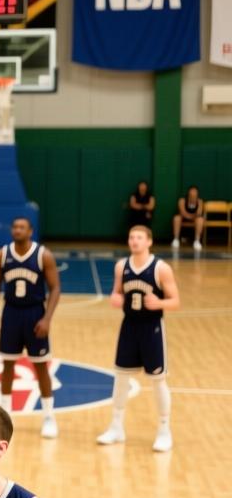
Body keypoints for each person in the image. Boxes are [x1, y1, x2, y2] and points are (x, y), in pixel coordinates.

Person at [97, 225, 179, 452]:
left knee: (158, 379)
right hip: (129, 327)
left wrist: (160, 303)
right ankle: (116, 427)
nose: (134, 241)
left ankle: (164, 430)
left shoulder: (161, 269)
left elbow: (175, 301)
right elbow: (117, 292)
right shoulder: (121, 266)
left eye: (139, 237)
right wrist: (115, 297)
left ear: (149, 241)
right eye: (131, 237)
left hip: (152, 328)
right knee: (121, 377)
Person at [0, 216, 62, 438]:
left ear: (31, 231)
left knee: (40, 366)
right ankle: (5, 416)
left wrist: (47, 318)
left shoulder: (43, 255)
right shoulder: (2, 254)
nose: (17, 230)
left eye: (22, 227)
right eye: (14, 226)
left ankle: (48, 416)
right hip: (11, 313)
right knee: (7, 365)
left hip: (34, 313)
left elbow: (55, 288)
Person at [170, 185, 204, 250]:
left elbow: (199, 213)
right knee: (176, 218)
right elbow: (183, 212)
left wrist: (192, 216)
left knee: (200, 220)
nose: (193, 195)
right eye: (192, 193)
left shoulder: (200, 201)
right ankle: (176, 240)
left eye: (195, 193)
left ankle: (197, 241)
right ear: (188, 193)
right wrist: (191, 216)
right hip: (184, 218)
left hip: (195, 219)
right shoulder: (182, 200)